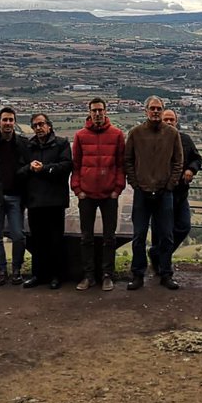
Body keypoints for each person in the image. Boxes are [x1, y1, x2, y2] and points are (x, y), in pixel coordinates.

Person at [124, 96, 184, 290]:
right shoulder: (135, 133)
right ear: (146, 111)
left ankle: (165, 273)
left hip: (164, 192)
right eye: (152, 108)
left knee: (166, 236)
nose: (156, 112)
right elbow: (128, 160)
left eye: (159, 108)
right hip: (142, 192)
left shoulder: (172, 134)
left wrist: (171, 184)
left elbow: (178, 161)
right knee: (139, 236)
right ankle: (138, 274)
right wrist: (135, 183)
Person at [71, 97, 125, 292]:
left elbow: (121, 165)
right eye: (94, 110)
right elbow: (75, 165)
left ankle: (107, 275)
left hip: (109, 193)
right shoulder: (80, 136)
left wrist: (117, 189)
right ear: (89, 112)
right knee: (86, 237)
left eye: (100, 110)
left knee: (110, 237)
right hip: (87, 194)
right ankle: (88, 276)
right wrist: (77, 189)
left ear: (106, 111)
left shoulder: (117, 135)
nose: (97, 113)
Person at [21, 113, 73, 289]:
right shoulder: (28, 146)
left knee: (55, 240)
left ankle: (56, 275)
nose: (38, 128)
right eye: (35, 125)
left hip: (55, 201)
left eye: (41, 124)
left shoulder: (61, 143)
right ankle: (38, 274)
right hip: (35, 200)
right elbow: (19, 171)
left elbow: (66, 167)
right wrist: (29, 168)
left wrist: (44, 169)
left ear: (49, 126)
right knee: (37, 240)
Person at [152, 108, 202, 275]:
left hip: (181, 194)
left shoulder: (185, 140)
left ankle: (157, 253)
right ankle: (163, 267)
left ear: (176, 121)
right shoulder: (154, 140)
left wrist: (191, 169)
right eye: (166, 119)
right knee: (162, 231)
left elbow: (197, 158)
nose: (169, 122)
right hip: (160, 193)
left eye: (171, 120)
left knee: (184, 226)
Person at [0, 107, 30, 285]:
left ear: (15, 122)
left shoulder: (23, 143)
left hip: (16, 196)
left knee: (18, 235)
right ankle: (1, 270)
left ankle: (16, 269)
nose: (8, 123)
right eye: (5, 120)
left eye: (11, 120)